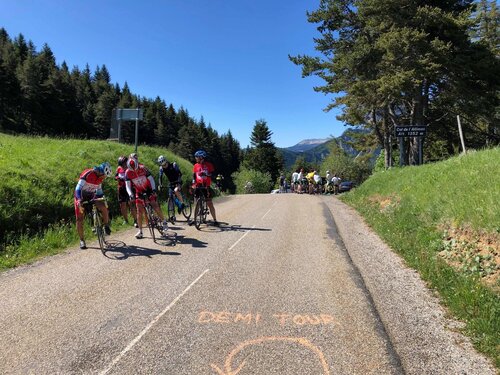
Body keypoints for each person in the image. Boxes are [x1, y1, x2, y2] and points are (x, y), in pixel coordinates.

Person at [125, 154, 168, 239]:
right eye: (132, 170)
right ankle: (140, 231)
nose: (134, 170)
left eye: (136, 168)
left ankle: (164, 222)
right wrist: (130, 194)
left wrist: (154, 190)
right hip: (139, 191)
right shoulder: (128, 173)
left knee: (155, 205)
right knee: (139, 211)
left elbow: (151, 179)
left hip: (148, 189)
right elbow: (127, 185)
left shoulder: (143, 168)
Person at [74, 162, 112, 249]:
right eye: (104, 175)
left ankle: (106, 226)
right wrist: (79, 200)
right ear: (100, 172)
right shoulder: (88, 173)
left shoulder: (100, 178)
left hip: (91, 195)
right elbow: (78, 188)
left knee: (103, 207)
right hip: (80, 196)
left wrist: (102, 198)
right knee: (79, 219)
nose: (104, 177)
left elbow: (99, 192)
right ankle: (82, 240)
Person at [192, 150, 219, 226]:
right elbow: (194, 175)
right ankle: (195, 219)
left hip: (206, 186)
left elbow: (213, 175)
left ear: (201, 158)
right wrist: (193, 183)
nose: (196, 158)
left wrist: (207, 174)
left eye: (197, 157)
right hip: (198, 185)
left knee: (209, 203)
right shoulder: (195, 166)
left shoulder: (209, 165)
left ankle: (215, 220)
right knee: (196, 202)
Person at [116, 156, 138, 227]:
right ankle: (126, 220)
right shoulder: (119, 169)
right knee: (122, 205)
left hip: (129, 188)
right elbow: (116, 176)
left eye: (124, 164)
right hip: (121, 189)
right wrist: (117, 178)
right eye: (122, 164)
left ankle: (135, 220)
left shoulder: (130, 168)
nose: (123, 166)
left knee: (131, 204)